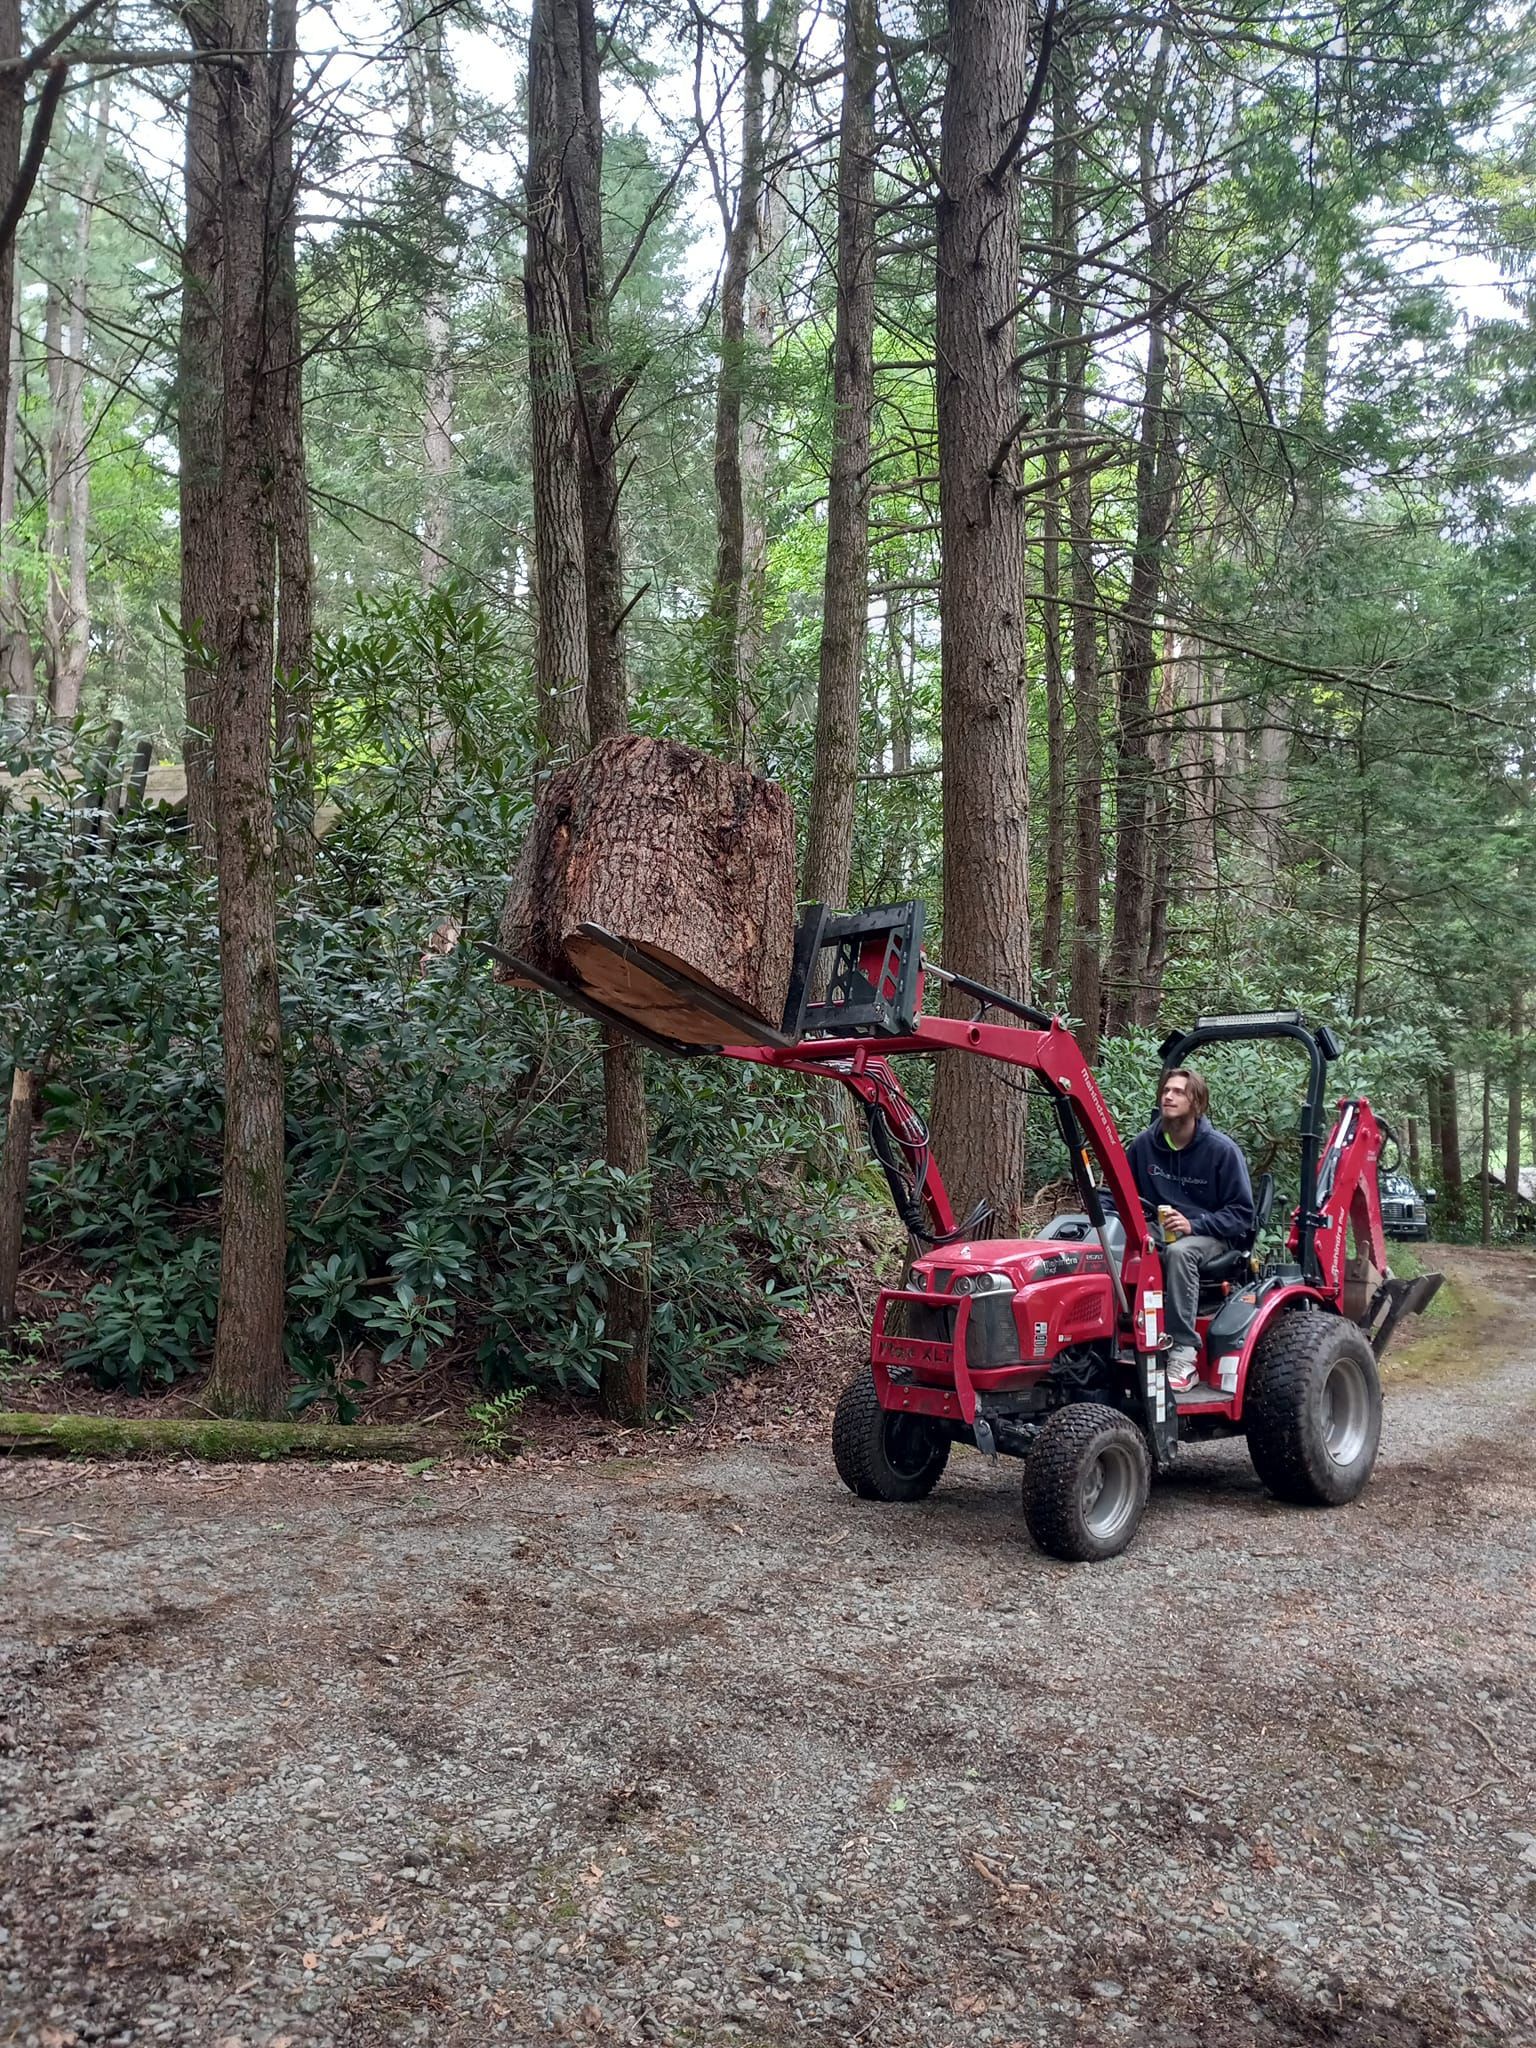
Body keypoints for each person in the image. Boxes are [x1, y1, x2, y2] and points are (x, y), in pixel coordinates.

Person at [1124, 1067, 1255, 1391]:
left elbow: (1242, 1214)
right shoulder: (1143, 1146)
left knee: (1180, 1253)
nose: (1168, 1096)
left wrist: (1194, 1224)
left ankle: (1183, 1353)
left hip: (1212, 1235)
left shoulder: (1221, 1151)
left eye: (1179, 1092)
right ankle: (1119, 1336)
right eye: (1166, 1090)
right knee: (1109, 1242)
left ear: (1196, 1103)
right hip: (1157, 1228)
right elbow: (1120, 1195)